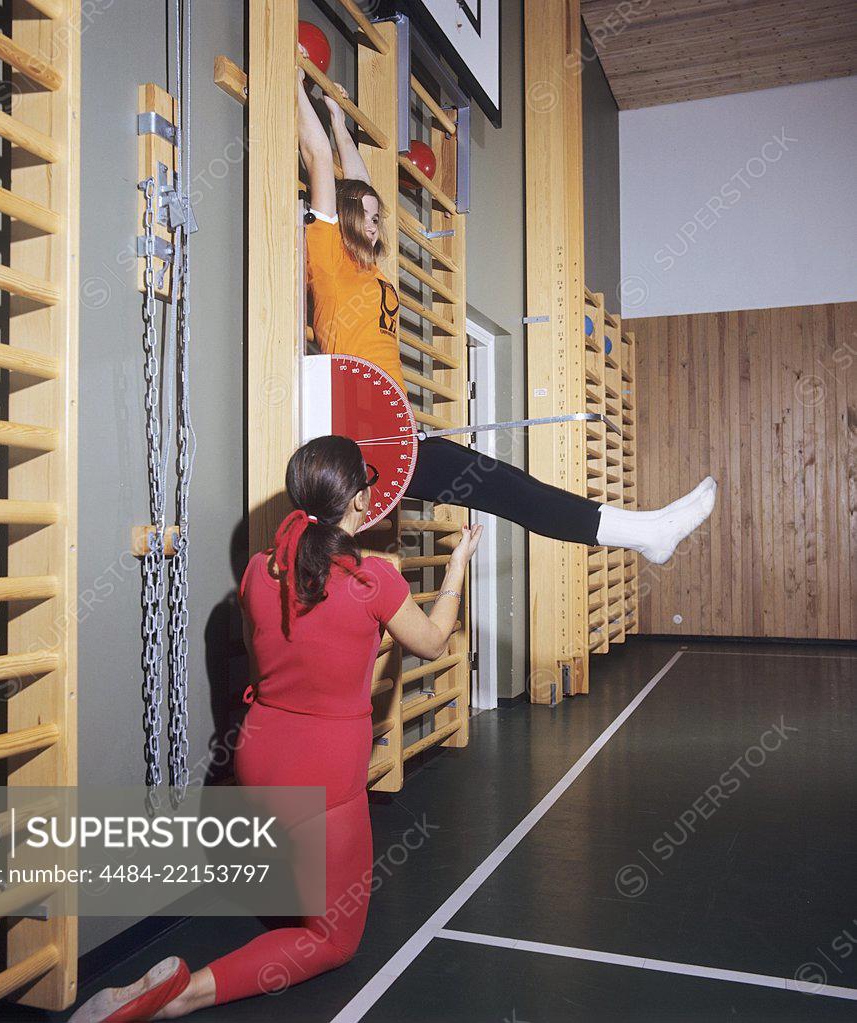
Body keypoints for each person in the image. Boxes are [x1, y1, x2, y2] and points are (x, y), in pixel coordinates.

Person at [68, 435, 482, 1021]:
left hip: (257, 758)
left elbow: (278, 644)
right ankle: (179, 995)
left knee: (305, 876)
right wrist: (456, 568)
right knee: (333, 940)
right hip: (325, 768)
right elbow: (433, 641)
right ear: (360, 501)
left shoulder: (261, 572)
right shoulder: (375, 581)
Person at [298, 59, 717, 566]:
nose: (374, 223)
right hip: (360, 436)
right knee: (509, 490)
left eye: (375, 217)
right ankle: (645, 532)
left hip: (392, 427)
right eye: (365, 216)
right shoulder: (325, 251)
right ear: (341, 217)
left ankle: (643, 530)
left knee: (511, 489)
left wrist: (341, 123)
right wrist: (296, 83)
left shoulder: (366, 268)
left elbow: (357, 181)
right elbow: (318, 157)